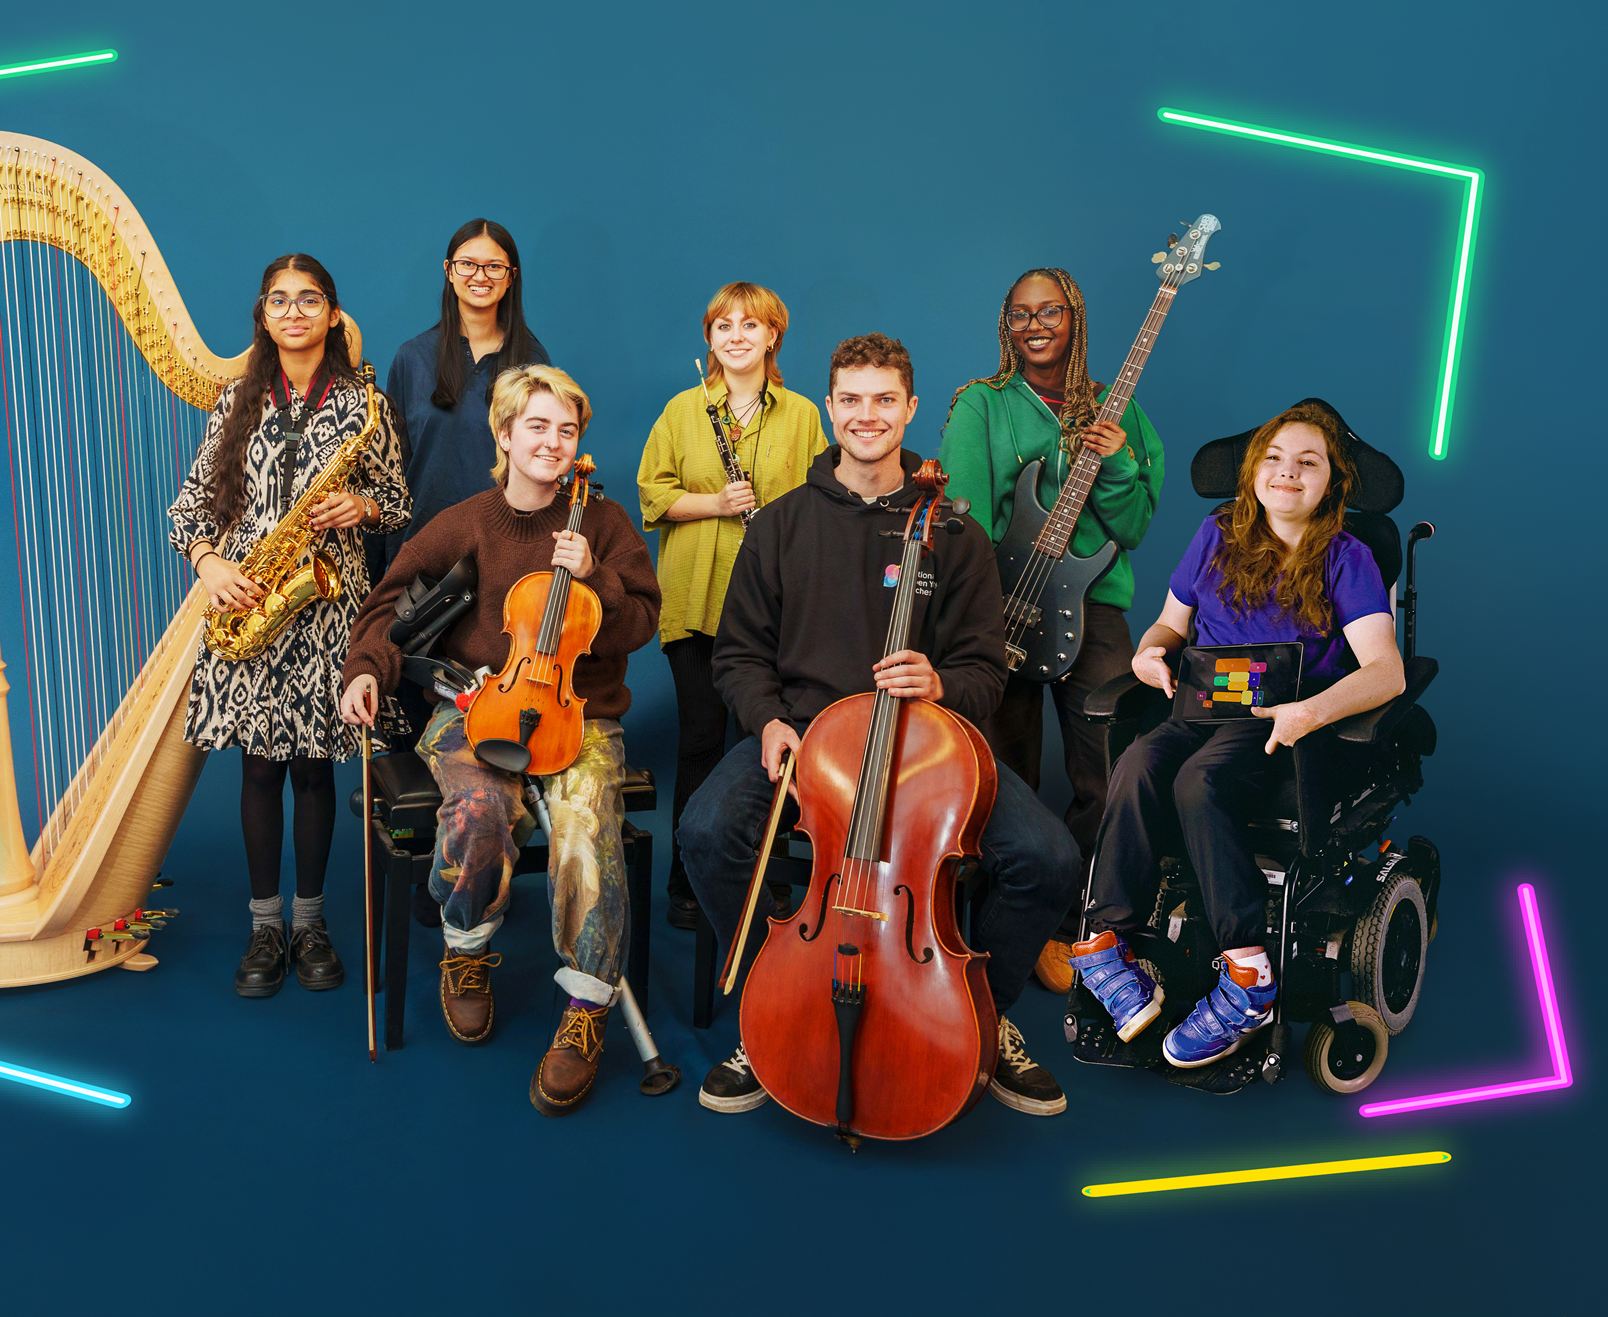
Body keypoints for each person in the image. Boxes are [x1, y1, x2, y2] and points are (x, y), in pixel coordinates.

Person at [678, 332, 1083, 1119]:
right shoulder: (780, 524)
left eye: (884, 400)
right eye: (852, 400)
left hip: (923, 755)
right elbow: (738, 655)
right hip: (805, 744)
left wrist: (939, 681)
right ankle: (777, 1004)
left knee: (1047, 856)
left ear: (910, 408)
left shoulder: (955, 532)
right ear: (829, 408)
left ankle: (981, 1016)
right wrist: (765, 721)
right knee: (705, 828)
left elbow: (984, 670)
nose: (867, 416)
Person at [340, 365, 662, 1117]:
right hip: (476, 706)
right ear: (506, 435)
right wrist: (366, 669)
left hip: (579, 712)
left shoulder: (603, 525)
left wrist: (601, 584)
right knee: (479, 811)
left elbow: (643, 620)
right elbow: (389, 604)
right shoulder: (467, 520)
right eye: (539, 427)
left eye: (567, 430)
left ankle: (585, 1009)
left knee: (586, 824)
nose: (553, 442)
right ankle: (466, 946)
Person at [1070, 400, 1404, 1067]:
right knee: (1136, 763)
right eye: (1274, 459)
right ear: (1252, 472)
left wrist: (1307, 712)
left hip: (1280, 716)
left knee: (1200, 781)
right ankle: (1106, 945)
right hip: (1197, 703)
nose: (1287, 473)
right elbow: (1169, 624)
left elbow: (1386, 672)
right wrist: (1148, 652)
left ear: (1331, 481)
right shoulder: (1216, 532)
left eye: (1307, 463)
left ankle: (1248, 975)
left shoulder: (1347, 556)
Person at [169, 254, 410, 997]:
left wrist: (363, 508)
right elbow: (189, 510)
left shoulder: (364, 403)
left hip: (328, 605)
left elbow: (399, 498)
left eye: (310, 300)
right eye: (280, 300)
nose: (295, 311)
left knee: (311, 769)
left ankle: (310, 922)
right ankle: (263, 924)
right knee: (257, 767)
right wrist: (210, 565)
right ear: (262, 315)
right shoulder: (236, 399)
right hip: (247, 596)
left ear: (333, 314)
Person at [939, 268, 1165, 991]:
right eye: (1020, 314)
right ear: (1005, 325)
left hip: (1093, 603)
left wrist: (1117, 460)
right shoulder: (981, 404)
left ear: (1076, 319)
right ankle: (999, 922)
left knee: (1108, 769)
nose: (1036, 325)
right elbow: (965, 516)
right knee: (1001, 773)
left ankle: (1070, 923)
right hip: (1001, 601)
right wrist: (986, 608)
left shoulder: (1120, 410)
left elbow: (1129, 528)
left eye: (1051, 312)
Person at [636, 282, 828, 932]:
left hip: (773, 609)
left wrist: (769, 522)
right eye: (724, 325)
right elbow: (652, 496)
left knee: (764, 744)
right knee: (698, 740)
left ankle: (763, 879)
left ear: (773, 335)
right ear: (709, 338)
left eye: (751, 324)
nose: (737, 335)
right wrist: (718, 504)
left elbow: (817, 501)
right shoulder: (683, 410)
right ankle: (687, 883)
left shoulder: (802, 414)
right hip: (694, 602)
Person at [383, 218, 548, 564]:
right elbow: (391, 468)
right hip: (422, 548)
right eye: (468, 264)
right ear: (449, 270)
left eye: (494, 267)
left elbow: (542, 461)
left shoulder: (532, 361)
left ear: (511, 276)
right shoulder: (412, 358)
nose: (480, 276)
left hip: (507, 546)